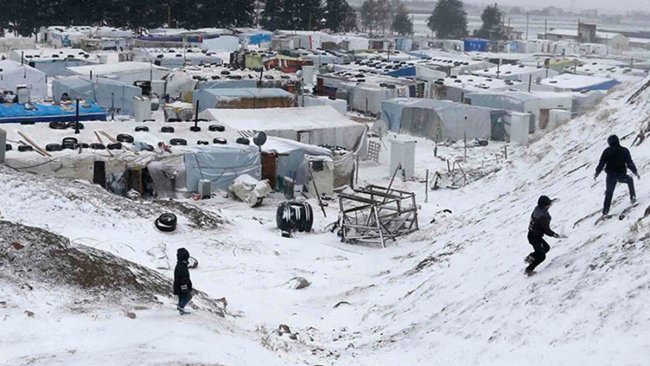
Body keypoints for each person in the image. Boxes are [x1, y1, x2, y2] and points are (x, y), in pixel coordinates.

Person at [594, 134, 639, 215]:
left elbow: (601, 164)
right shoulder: (624, 150)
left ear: (609, 143)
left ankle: (605, 211)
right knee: (630, 180)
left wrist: (597, 173)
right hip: (621, 175)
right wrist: (635, 172)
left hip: (611, 176)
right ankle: (633, 198)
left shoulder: (607, 151)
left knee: (609, 192)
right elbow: (629, 163)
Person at [525, 195, 561, 276]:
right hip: (534, 237)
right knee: (541, 257)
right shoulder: (542, 217)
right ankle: (529, 269)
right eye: (548, 204)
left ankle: (531, 257)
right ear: (544, 205)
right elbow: (546, 229)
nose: (550, 206)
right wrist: (554, 234)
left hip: (534, 235)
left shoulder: (538, 209)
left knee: (546, 248)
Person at [173, 248, 193, 315]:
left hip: (179, 286)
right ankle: (180, 307)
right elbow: (182, 278)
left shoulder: (181, 265)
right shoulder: (181, 266)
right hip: (182, 286)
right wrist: (184, 287)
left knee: (182, 297)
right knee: (188, 296)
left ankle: (181, 311)